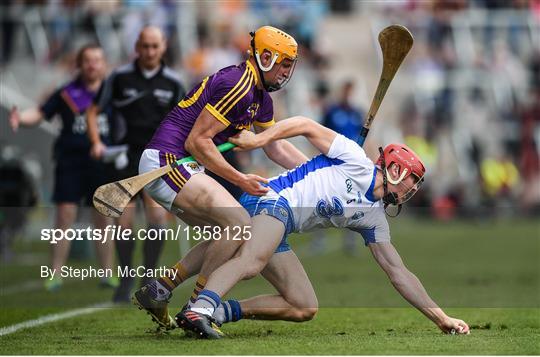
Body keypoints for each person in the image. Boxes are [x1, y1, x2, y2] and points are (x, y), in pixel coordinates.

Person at [173, 116, 470, 338]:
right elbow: (305, 124)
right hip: (272, 198)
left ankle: (219, 311)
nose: (412, 190)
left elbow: (399, 273)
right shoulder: (355, 159)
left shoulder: (374, 217)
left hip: (282, 222)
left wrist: (440, 317)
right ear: (395, 169)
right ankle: (199, 309)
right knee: (252, 260)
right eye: (411, 181)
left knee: (304, 305)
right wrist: (257, 140)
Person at [132, 26, 308, 329]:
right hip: (167, 160)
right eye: (284, 64)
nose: (286, 72)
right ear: (266, 57)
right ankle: (196, 307)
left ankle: (159, 290)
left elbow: (275, 147)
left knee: (228, 234)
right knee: (239, 223)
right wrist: (240, 179)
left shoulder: (260, 97)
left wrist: (319, 170)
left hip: (182, 165)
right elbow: (197, 142)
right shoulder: (238, 84)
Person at [86, 26, 186, 302]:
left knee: (156, 219)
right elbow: (92, 111)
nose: (150, 52)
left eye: (155, 46)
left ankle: (148, 276)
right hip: (126, 157)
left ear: (163, 46)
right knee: (123, 222)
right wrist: (96, 142)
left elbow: (185, 122)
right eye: (145, 46)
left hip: (158, 159)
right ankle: (126, 276)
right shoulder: (119, 78)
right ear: (137, 47)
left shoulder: (174, 82)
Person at [9, 44, 116, 291]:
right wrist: (20, 119)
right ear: (80, 64)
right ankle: (55, 273)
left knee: (103, 219)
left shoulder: (113, 93)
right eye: (87, 60)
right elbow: (40, 113)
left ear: (104, 64)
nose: (92, 65)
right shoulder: (67, 93)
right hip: (70, 162)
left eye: (97, 60)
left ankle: (108, 273)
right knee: (64, 216)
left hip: (101, 164)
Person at [312, 80, 365, 254]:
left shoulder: (357, 113)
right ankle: (319, 240)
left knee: (352, 201)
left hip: (351, 165)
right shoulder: (332, 111)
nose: (348, 95)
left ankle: (350, 242)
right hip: (332, 163)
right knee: (323, 200)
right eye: (346, 91)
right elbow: (319, 133)